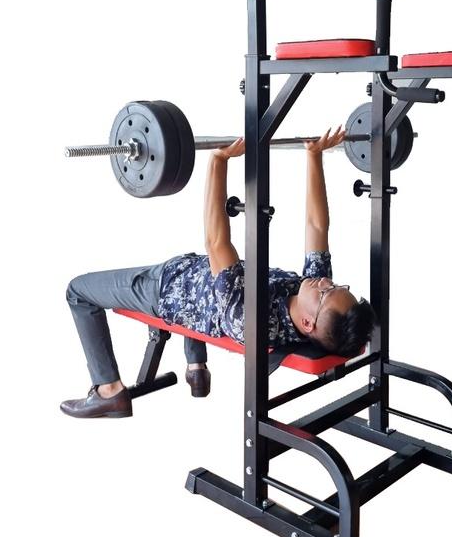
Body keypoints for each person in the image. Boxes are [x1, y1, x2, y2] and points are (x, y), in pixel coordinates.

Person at [60, 125, 377, 418]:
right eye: (337, 285)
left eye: (326, 292)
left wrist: (218, 161)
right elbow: (317, 225)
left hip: (165, 289)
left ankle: (109, 391)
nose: (325, 282)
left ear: (307, 323)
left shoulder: (251, 319)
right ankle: (197, 369)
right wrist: (314, 155)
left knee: (78, 291)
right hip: (198, 280)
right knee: (215, 281)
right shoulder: (311, 296)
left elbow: (216, 242)